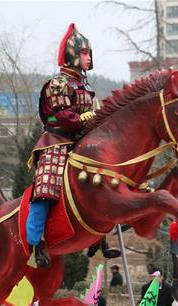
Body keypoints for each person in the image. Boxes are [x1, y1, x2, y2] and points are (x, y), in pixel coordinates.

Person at [26, 23, 120, 268]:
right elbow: (66, 117)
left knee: (105, 177)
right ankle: (35, 244)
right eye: (85, 53)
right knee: (46, 188)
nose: (89, 57)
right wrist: (87, 118)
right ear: (73, 56)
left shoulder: (86, 86)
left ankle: (99, 238)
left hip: (82, 141)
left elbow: (95, 113)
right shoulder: (58, 83)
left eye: (89, 53)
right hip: (57, 142)